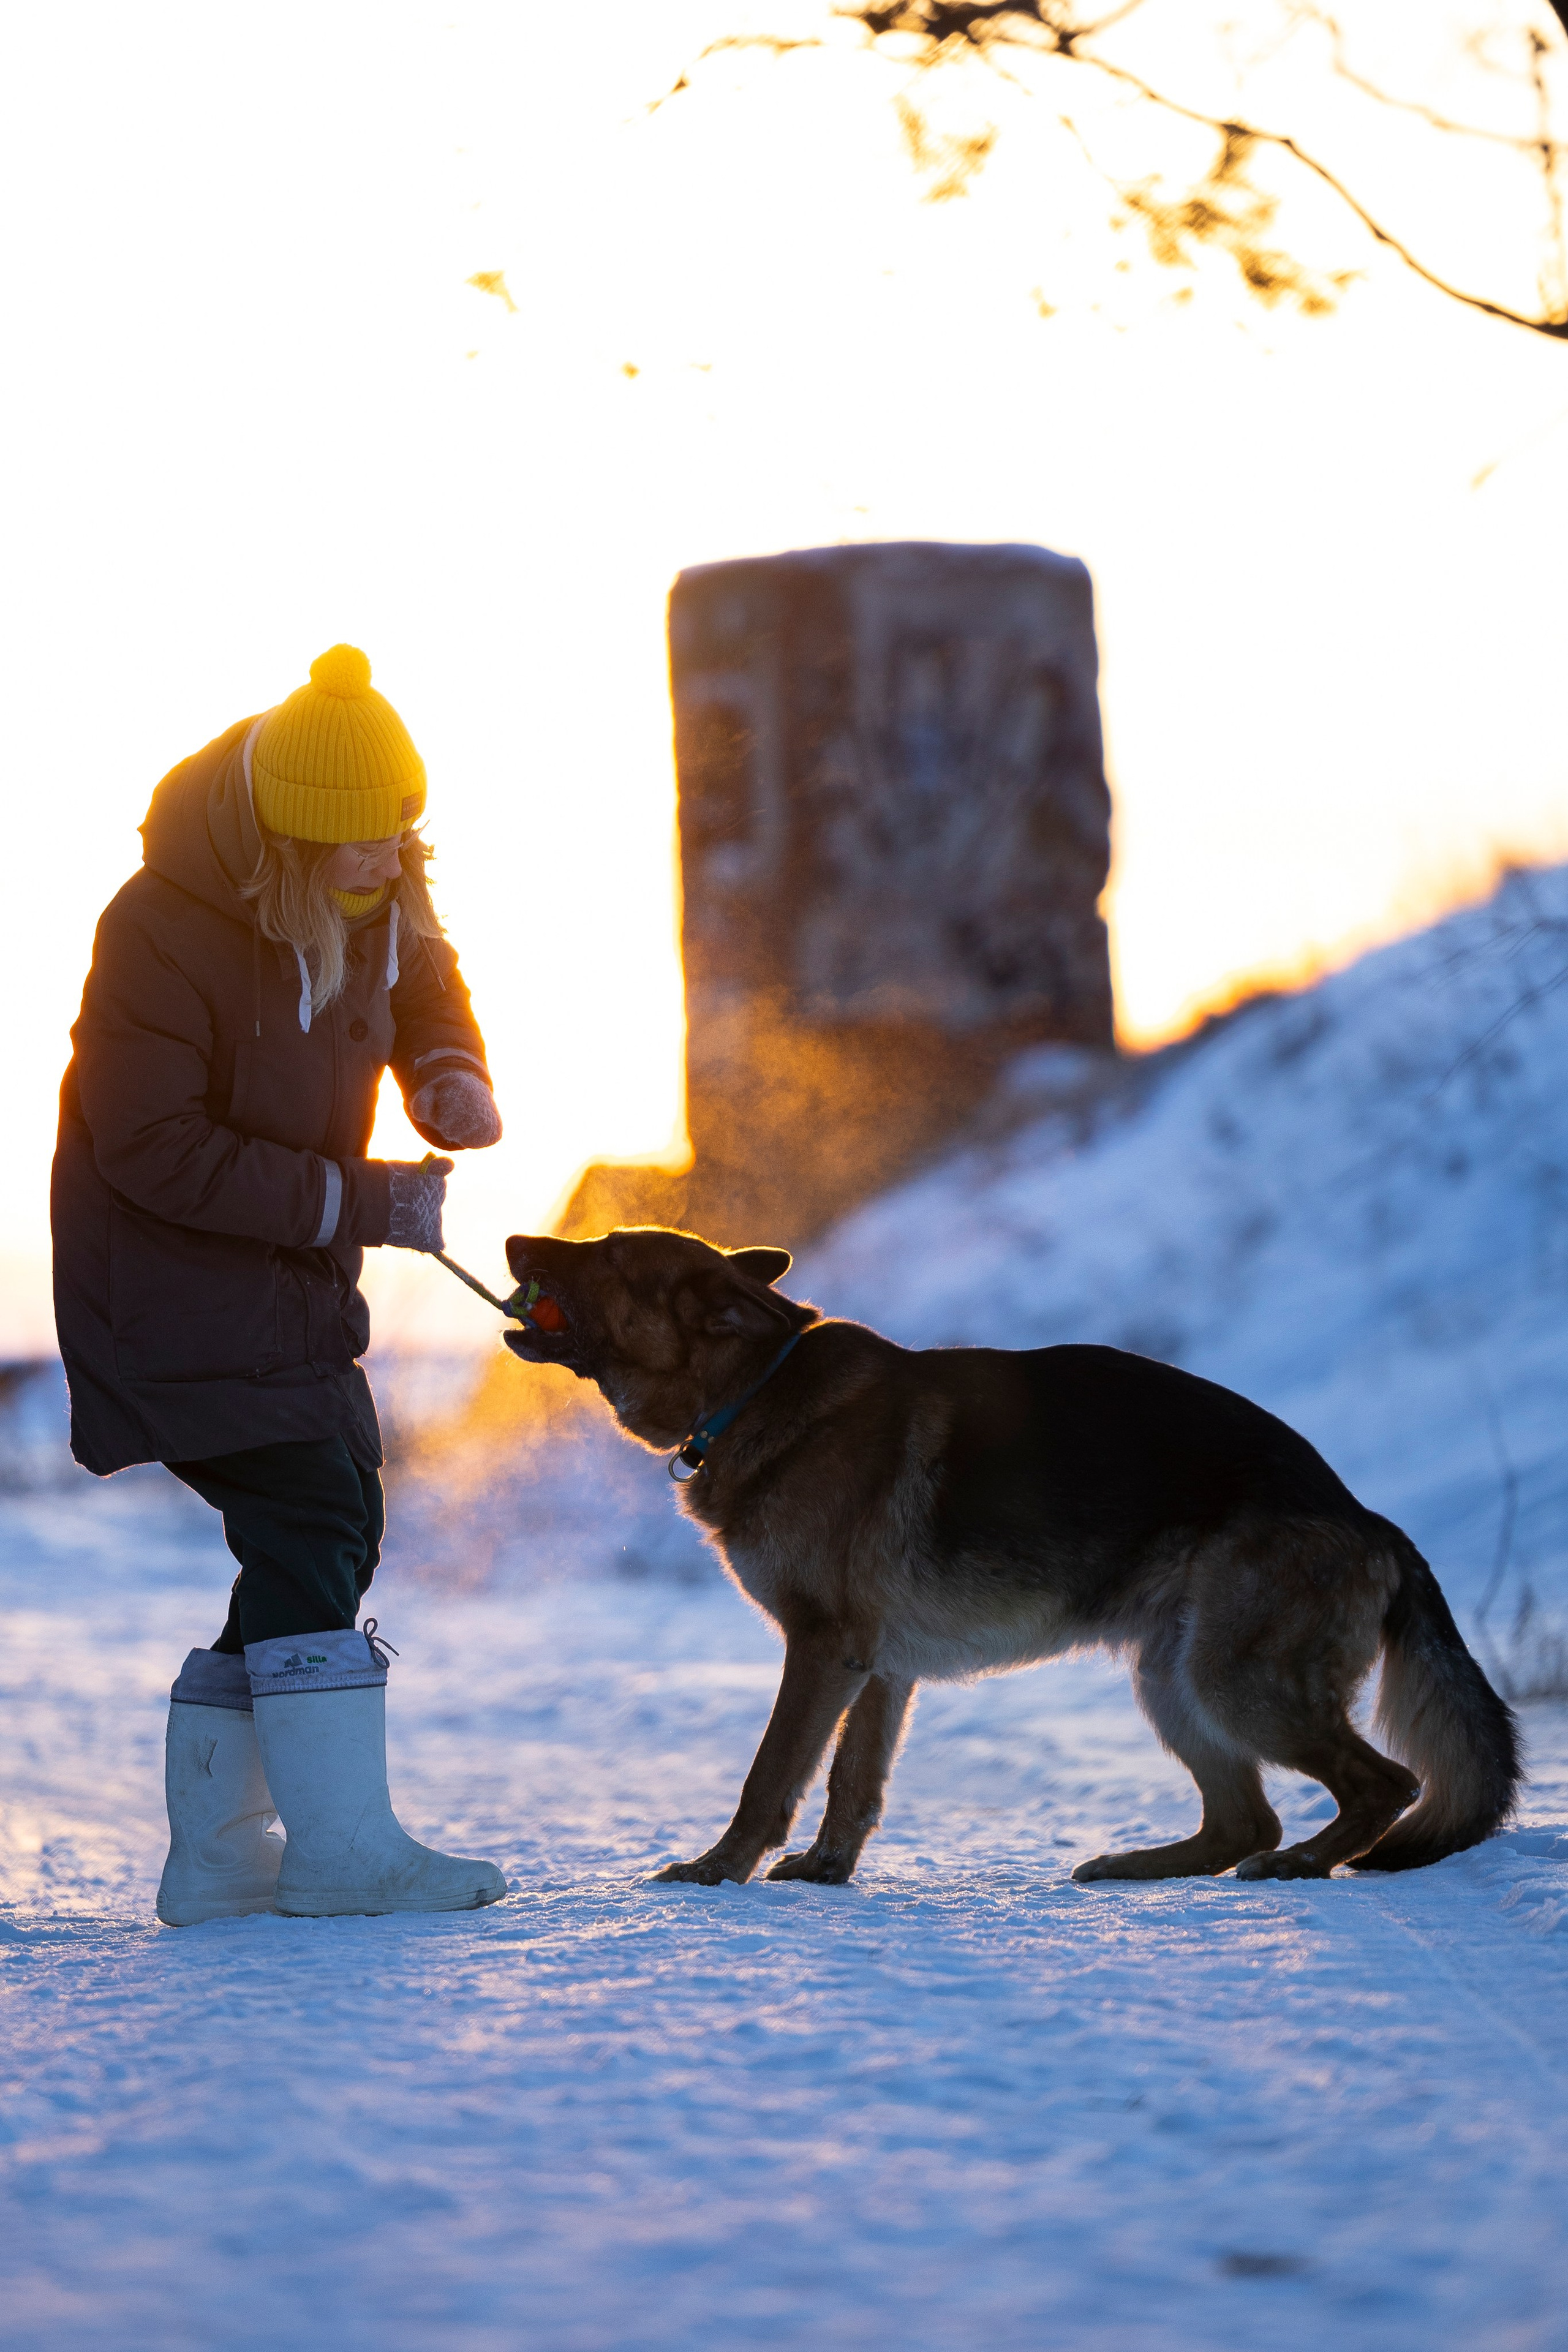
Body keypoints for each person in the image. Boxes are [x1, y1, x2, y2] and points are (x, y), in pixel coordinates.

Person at [52, 644, 508, 1925]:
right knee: (314, 1520)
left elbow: (423, 971)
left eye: (403, 833)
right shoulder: (158, 929)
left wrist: (444, 1066)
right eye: (359, 844)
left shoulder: (379, 889)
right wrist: (365, 1201)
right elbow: (150, 1149)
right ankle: (338, 1853)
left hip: (286, 1286)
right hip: (167, 1289)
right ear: (284, 844)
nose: (389, 861)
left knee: (327, 1525)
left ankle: (220, 1857)